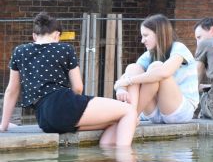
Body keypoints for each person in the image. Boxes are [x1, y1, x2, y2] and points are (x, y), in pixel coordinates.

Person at [0, 12, 136, 146]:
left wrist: (4, 126)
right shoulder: (65, 49)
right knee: (129, 111)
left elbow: (12, 90)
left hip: (45, 120)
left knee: (116, 121)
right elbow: (78, 87)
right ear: (57, 34)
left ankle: (108, 158)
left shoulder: (20, 51)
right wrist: (73, 108)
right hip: (63, 104)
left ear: (34, 36)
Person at [114, 14, 199, 124]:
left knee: (156, 67)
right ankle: (131, 114)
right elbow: (129, 74)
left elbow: (164, 72)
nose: (142, 41)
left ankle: (130, 115)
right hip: (154, 112)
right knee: (133, 67)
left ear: (159, 34)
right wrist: (121, 88)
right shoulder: (149, 54)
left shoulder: (179, 48)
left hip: (179, 111)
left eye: (145, 35)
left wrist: (128, 81)